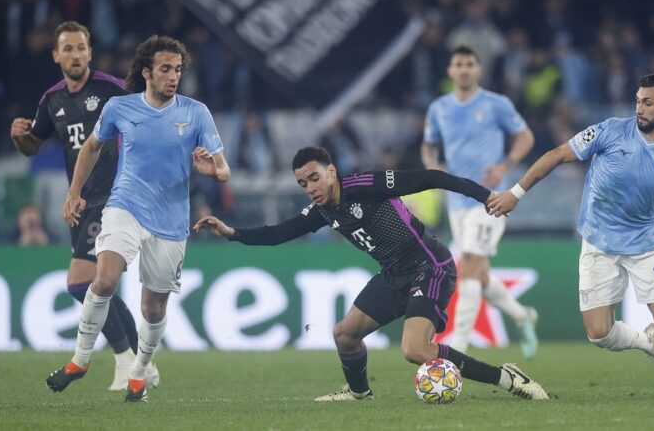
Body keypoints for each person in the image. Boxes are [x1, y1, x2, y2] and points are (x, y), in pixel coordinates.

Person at [194, 146, 549, 401]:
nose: (311, 188)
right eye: (303, 183)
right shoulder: (321, 210)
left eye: (314, 178)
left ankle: (507, 378)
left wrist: (486, 196)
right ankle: (359, 393)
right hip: (393, 274)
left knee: (415, 349)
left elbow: (431, 177)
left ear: (331, 172)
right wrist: (233, 233)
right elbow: (277, 234)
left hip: (429, 266)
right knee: (345, 335)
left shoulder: (366, 185)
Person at [488, 73, 654, 397]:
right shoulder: (610, 130)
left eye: (648, 102)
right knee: (599, 333)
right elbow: (558, 154)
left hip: (645, 246)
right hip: (598, 243)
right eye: (637, 101)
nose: (639, 108)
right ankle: (649, 343)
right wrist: (516, 193)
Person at [45, 34, 231, 403]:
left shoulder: (196, 112)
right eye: (165, 69)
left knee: (153, 308)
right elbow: (92, 146)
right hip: (124, 206)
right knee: (104, 280)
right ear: (147, 72)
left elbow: (223, 170)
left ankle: (139, 373)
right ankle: (80, 361)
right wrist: (74, 192)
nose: (172, 76)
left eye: (177, 70)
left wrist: (213, 171)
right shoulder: (119, 108)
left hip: (171, 219)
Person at [9, 21, 155, 391]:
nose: (75, 55)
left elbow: (149, 118)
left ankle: (127, 362)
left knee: (81, 283)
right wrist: (20, 138)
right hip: (81, 202)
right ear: (56, 55)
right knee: (97, 285)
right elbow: (33, 145)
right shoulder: (52, 100)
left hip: (114, 197)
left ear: (90, 52)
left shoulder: (112, 89)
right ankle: (141, 364)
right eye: (68, 49)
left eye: (81, 48)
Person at [422, 45, 539, 358]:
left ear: (478, 70)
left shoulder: (496, 104)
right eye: (458, 64)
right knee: (480, 273)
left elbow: (526, 137)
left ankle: (459, 341)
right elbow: (428, 147)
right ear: (450, 71)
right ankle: (521, 315)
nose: (463, 69)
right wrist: (433, 166)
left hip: (491, 199)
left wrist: (504, 165)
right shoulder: (439, 108)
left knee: (470, 260)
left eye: (469, 64)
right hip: (456, 201)